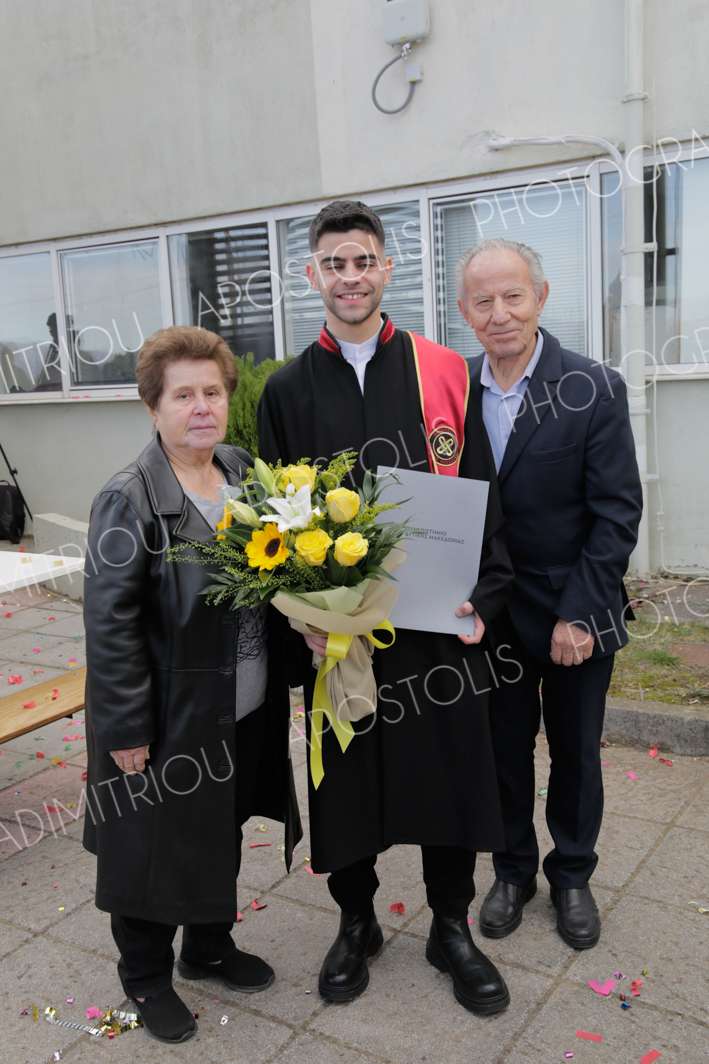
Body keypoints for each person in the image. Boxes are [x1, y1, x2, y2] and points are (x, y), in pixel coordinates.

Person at [258, 200, 514, 1016]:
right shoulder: (286, 390)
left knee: (449, 774)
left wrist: (486, 594)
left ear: (386, 268)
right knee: (347, 781)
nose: (350, 276)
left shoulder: (443, 371)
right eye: (334, 263)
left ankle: (450, 927)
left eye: (363, 260)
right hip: (343, 638)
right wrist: (300, 618)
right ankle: (357, 921)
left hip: (435, 626)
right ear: (313, 275)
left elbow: (481, 493)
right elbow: (273, 520)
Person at [82, 325, 301, 1044]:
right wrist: (126, 729)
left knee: (219, 829)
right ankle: (146, 976)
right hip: (168, 716)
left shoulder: (240, 471)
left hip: (239, 706)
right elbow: (110, 625)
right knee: (151, 847)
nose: (201, 407)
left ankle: (207, 945)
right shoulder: (130, 499)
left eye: (212, 392)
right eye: (183, 395)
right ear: (154, 407)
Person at [457, 238, 642, 950]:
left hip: (573, 612)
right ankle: (512, 871)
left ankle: (571, 874)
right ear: (465, 312)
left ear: (539, 297)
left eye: (513, 296)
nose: (499, 313)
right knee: (502, 751)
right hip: (491, 619)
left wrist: (579, 613)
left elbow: (616, 512)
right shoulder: (451, 392)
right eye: (483, 301)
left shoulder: (592, 386)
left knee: (575, 754)